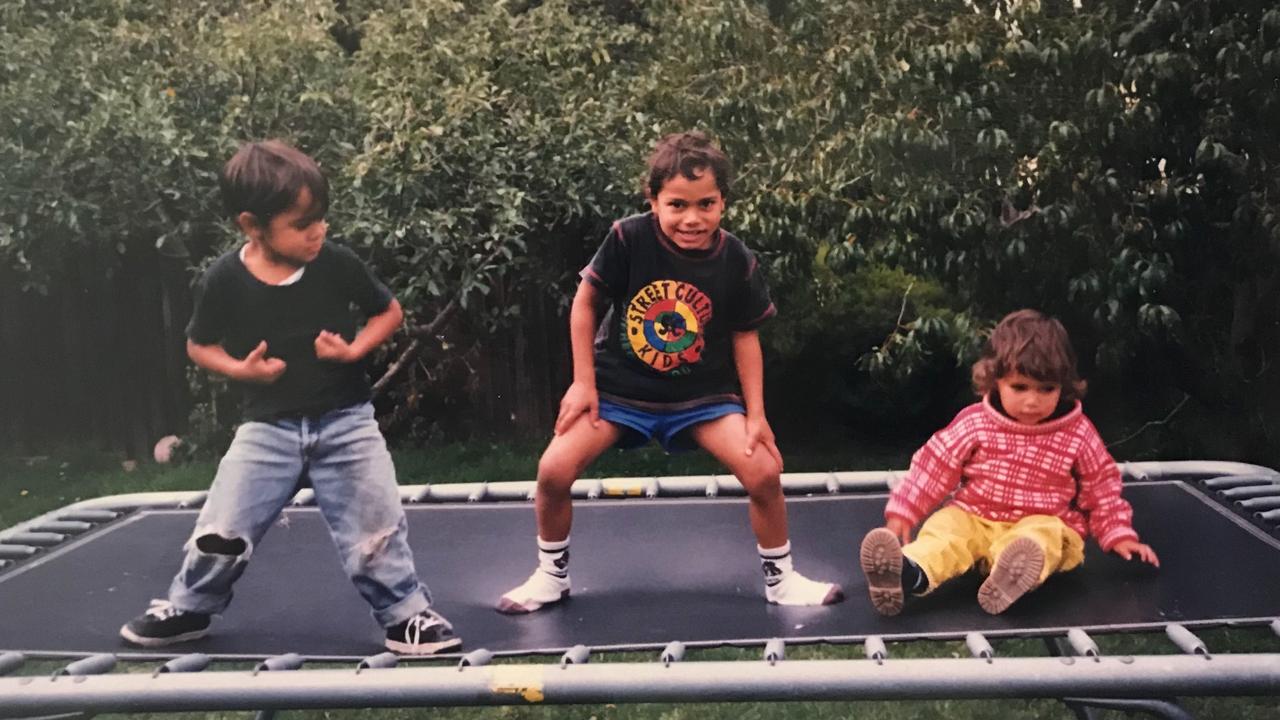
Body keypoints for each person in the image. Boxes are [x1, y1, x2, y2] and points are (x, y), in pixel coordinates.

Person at [119, 140, 459, 654]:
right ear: (252, 226)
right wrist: (240, 370)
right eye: (303, 225)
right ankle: (188, 608)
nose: (318, 232)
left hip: (346, 422)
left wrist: (354, 352)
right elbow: (198, 345)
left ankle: (405, 615)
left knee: (376, 525)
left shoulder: (336, 264)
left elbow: (388, 313)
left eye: (321, 219)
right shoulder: (224, 280)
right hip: (268, 429)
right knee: (224, 527)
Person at [497, 131, 843, 613]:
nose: (692, 218)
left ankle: (781, 581)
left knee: (763, 472)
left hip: (702, 396)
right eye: (677, 204)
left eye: (707, 204)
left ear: (723, 202)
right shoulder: (628, 237)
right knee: (553, 471)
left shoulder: (737, 260)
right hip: (620, 388)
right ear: (653, 200)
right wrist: (583, 382)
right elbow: (585, 303)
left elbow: (746, 336)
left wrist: (757, 414)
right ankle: (550, 577)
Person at [859, 309, 1160, 616]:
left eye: (1047, 389)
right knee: (947, 529)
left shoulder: (1077, 432)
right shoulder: (976, 423)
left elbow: (1101, 487)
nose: (1033, 401)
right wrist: (905, 509)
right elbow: (936, 464)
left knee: (1046, 536)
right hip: (975, 517)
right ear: (995, 380)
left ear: (1064, 386)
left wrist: (1118, 534)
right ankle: (909, 572)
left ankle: (1010, 575)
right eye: (1020, 387)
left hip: (1041, 520)